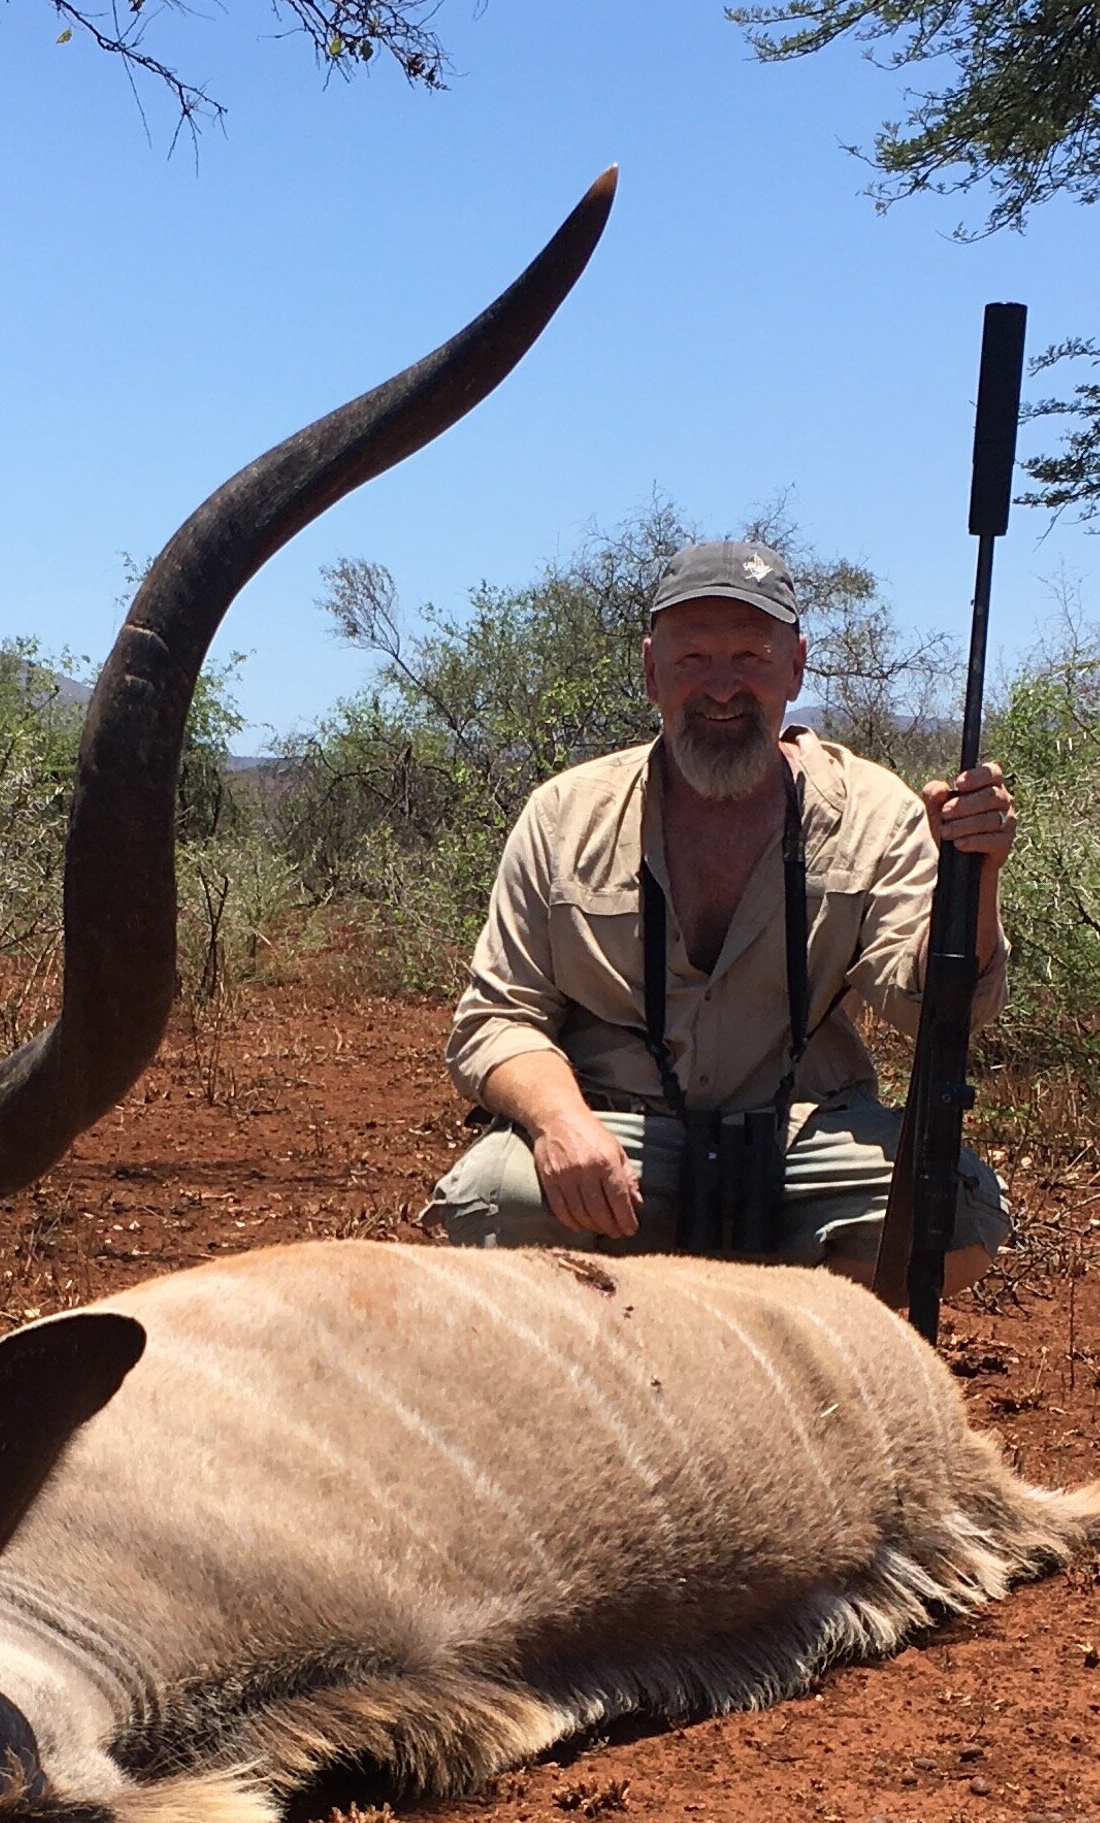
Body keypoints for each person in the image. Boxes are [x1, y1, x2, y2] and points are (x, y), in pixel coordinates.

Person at [422, 538, 1019, 1286]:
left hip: (802, 1133)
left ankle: (791, 1366)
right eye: (693, 659)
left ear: (796, 666)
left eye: (750, 656)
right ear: (651, 671)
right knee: (496, 1201)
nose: (722, 688)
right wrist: (563, 1124)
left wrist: (976, 878)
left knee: (951, 1215)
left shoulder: (875, 810)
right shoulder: (563, 815)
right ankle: (619, 1371)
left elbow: (936, 1010)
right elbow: (495, 1020)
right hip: (620, 1131)